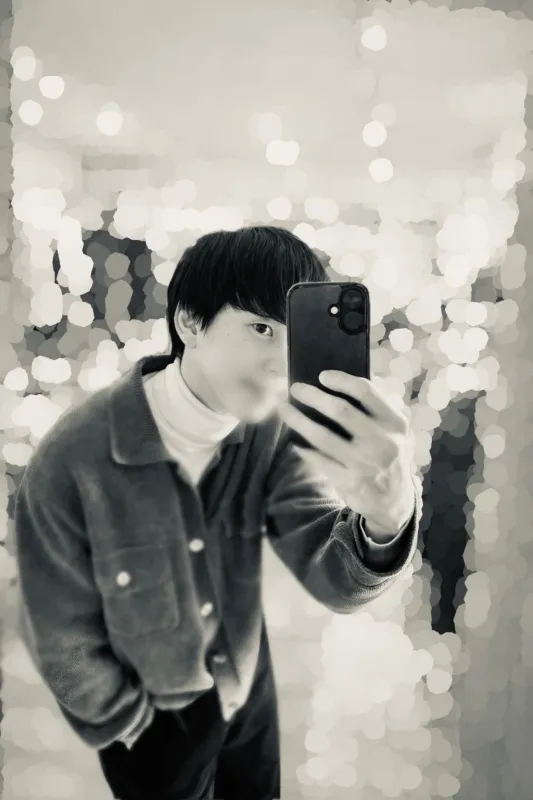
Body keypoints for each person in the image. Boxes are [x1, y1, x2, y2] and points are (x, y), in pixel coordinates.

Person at [14, 225, 423, 800]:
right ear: (189, 322)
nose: (282, 359)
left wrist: (387, 517)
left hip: (246, 684)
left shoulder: (271, 434)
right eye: (260, 328)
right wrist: (127, 725)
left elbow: (331, 574)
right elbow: (53, 623)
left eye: (293, 332)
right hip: (154, 720)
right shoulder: (75, 455)